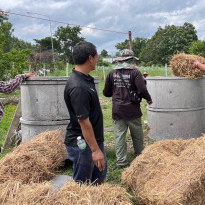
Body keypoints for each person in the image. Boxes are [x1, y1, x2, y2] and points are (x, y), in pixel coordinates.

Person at [64, 41, 107, 184]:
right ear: (90, 58)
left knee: (99, 179)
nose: (97, 59)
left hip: (93, 140)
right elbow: (83, 121)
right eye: (97, 56)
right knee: (82, 185)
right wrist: (95, 151)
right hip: (83, 144)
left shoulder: (85, 79)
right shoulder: (78, 86)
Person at [103, 49, 152, 169]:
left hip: (118, 110)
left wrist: (117, 93)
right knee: (137, 135)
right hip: (133, 110)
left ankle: (121, 162)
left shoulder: (112, 73)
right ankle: (140, 156)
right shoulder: (135, 72)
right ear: (132, 59)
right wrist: (148, 99)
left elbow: (106, 93)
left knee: (119, 136)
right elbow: (142, 90)